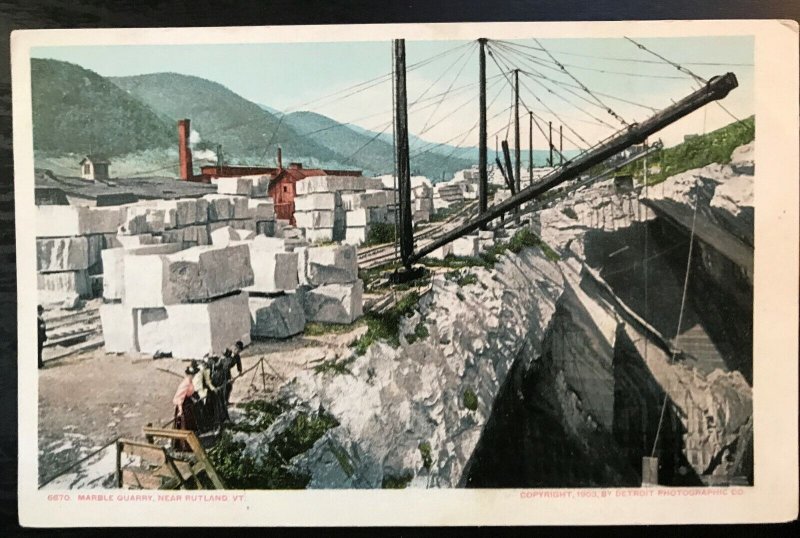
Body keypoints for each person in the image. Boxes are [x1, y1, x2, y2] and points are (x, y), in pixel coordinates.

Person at [172, 363, 199, 449]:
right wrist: (180, 410)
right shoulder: (185, 383)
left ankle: (190, 443)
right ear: (188, 374)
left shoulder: (190, 382)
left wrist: (193, 399)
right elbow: (179, 397)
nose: (193, 376)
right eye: (191, 375)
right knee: (184, 425)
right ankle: (183, 445)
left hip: (188, 404)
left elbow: (189, 393)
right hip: (182, 406)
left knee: (191, 423)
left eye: (193, 374)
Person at [37, 305, 46, 369]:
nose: (42, 312)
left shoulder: (41, 318)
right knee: (38, 350)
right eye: (40, 311)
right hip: (38, 336)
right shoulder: (37, 318)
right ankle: (39, 364)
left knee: (40, 349)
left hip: (41, 336)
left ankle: (40, 362)